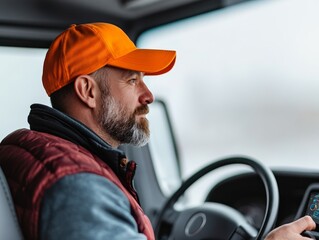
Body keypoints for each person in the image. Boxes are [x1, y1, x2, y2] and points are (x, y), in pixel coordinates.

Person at [0, 22, 316, 240]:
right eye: (132, 80)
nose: (148, 94)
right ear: (88, 91)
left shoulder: (36, 151)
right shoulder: (78, 186)